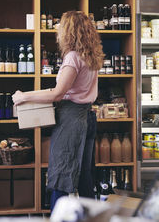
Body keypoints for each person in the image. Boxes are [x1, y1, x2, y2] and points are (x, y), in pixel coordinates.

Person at [12, 11, 104, 211]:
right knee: (84, 176)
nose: (58, 31)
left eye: (61, 27)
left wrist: (23, 96)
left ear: (69, 31)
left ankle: (57, 216)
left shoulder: (72, 57)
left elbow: (57, 94)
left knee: (61, 175)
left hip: (71, 120)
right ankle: (93, 217)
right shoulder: (91, 55)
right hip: (88, 116)